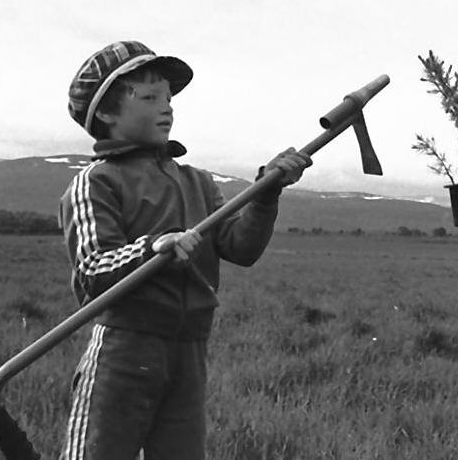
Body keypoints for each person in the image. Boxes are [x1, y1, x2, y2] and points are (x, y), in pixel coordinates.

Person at [58, 40, 312, 460]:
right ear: (105, 113)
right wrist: (152, 250)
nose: (168, 107)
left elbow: (240, 247)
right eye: (150, 96)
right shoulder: (96, 181)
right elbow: (92, 269)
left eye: (170, 97)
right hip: (124, 350)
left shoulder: (197, 180)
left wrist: (266, 194)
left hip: (189, 351)